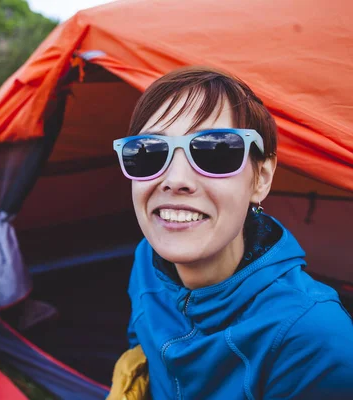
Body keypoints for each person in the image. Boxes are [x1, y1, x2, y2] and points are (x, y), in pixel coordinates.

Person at [107, 67, 353, 399]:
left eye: (215, 151)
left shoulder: (313, 337)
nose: (175, 178)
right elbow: (141, 343)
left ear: (261, 178)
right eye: (149, 152)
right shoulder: (147, 262)